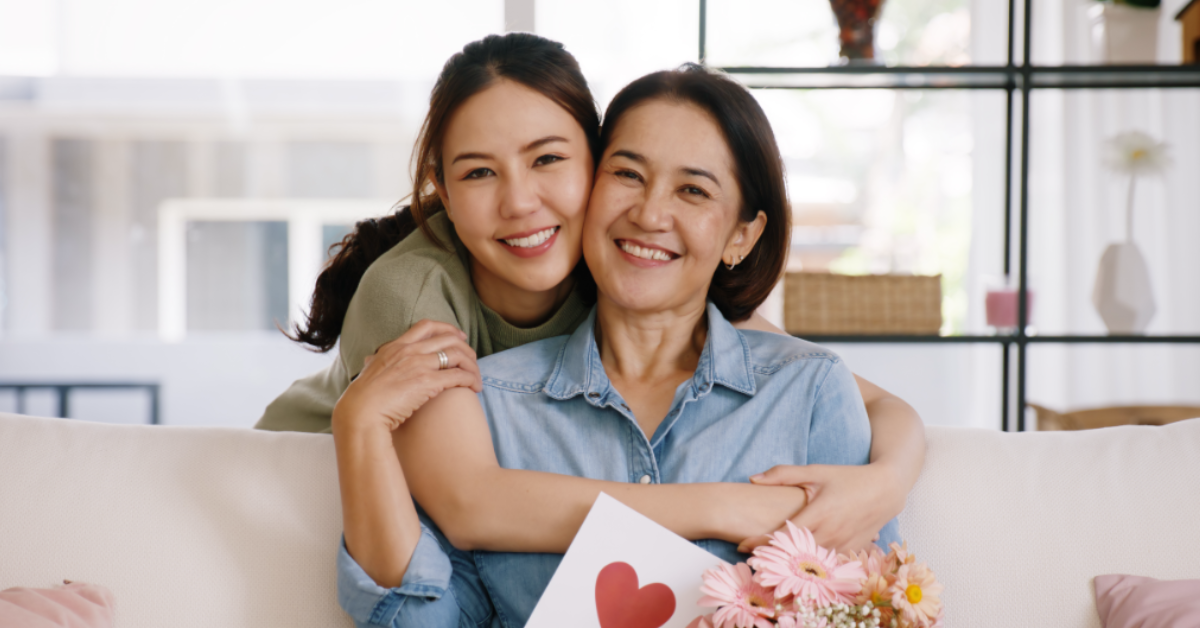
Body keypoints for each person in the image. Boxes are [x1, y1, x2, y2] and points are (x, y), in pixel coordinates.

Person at [259, 33, 924, 551]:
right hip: (303, 484)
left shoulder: (617, 260)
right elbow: (469, 506)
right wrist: (724, 506)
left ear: (594, 159)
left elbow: (859, 395)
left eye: (548, 159)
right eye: (480, 172)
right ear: (444, 190)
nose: (521, 203)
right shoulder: (413, 293)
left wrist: (886, 483)